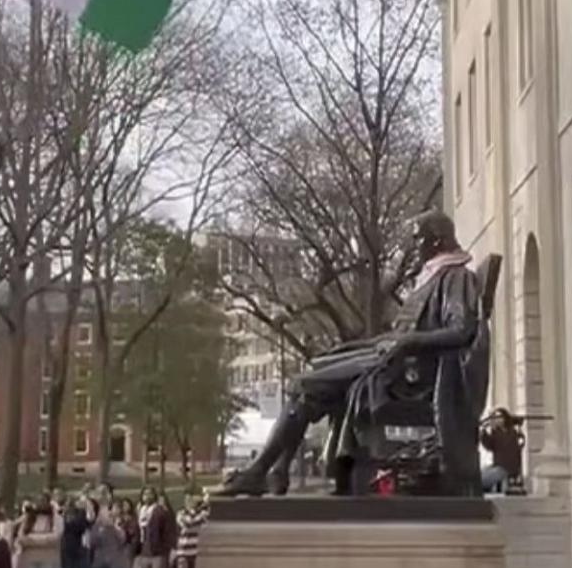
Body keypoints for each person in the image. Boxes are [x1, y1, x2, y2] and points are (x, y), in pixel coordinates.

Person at [221, 211, 481, 496]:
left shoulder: (457, 276)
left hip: (408, 375)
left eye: (418, 239)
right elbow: (405, 332)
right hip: (390, 360)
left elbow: (462, 331)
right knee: (316, 368)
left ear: (437, 241)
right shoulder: (434, 274)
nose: (413, 246)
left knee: (305, 384)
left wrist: (407, 342)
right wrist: (369, 345)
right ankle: (275, 471)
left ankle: (263, 471)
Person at [480, 408, 524, 494]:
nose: (497, 419)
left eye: (499, 417)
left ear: (505, 418)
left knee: (482, 480)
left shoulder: (512, 432)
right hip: (498, 465)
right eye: (495, 417)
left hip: (506, 468)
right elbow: (489, 446)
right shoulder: (496, 432)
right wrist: (484, 433)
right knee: (479, 475)